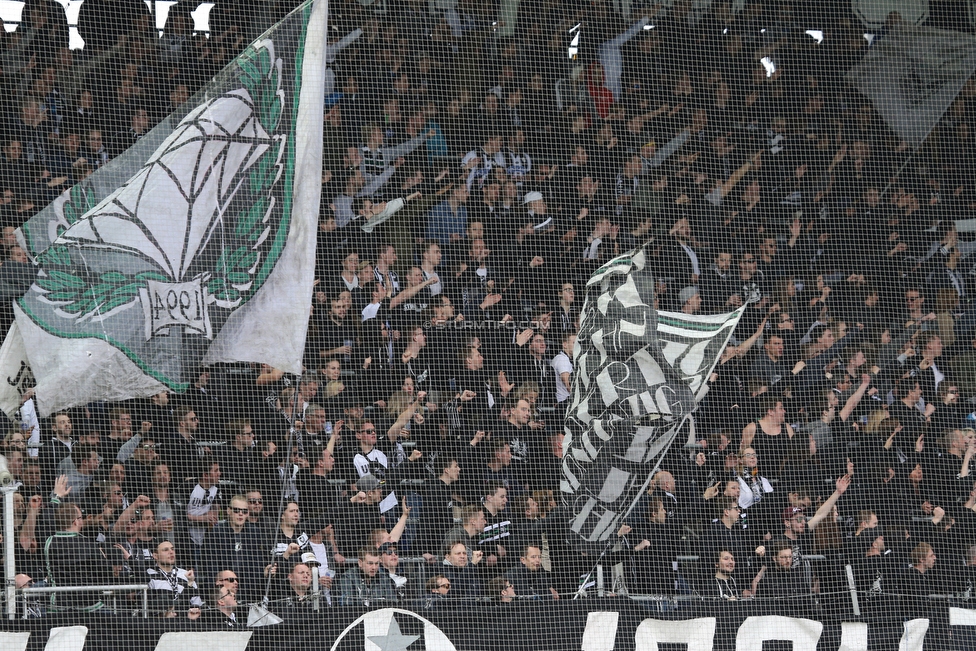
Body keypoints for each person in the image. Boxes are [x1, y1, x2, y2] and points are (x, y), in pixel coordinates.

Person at [42, 502, 117, 612]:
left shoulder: (49, 542)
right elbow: (106, 571)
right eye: (80, 517)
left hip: (59, 603)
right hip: (88, 604)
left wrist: (55, 500)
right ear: (75, 521)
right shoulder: (88, 544)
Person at [145, 540, 202, 619]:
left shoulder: (186, 574)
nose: (171, 552)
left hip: (186, 622)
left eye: (172, 549)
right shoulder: (149, 575)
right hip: (160, 624)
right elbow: (150, 606)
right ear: (155, 556)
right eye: (165, 550)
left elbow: (196, 603)